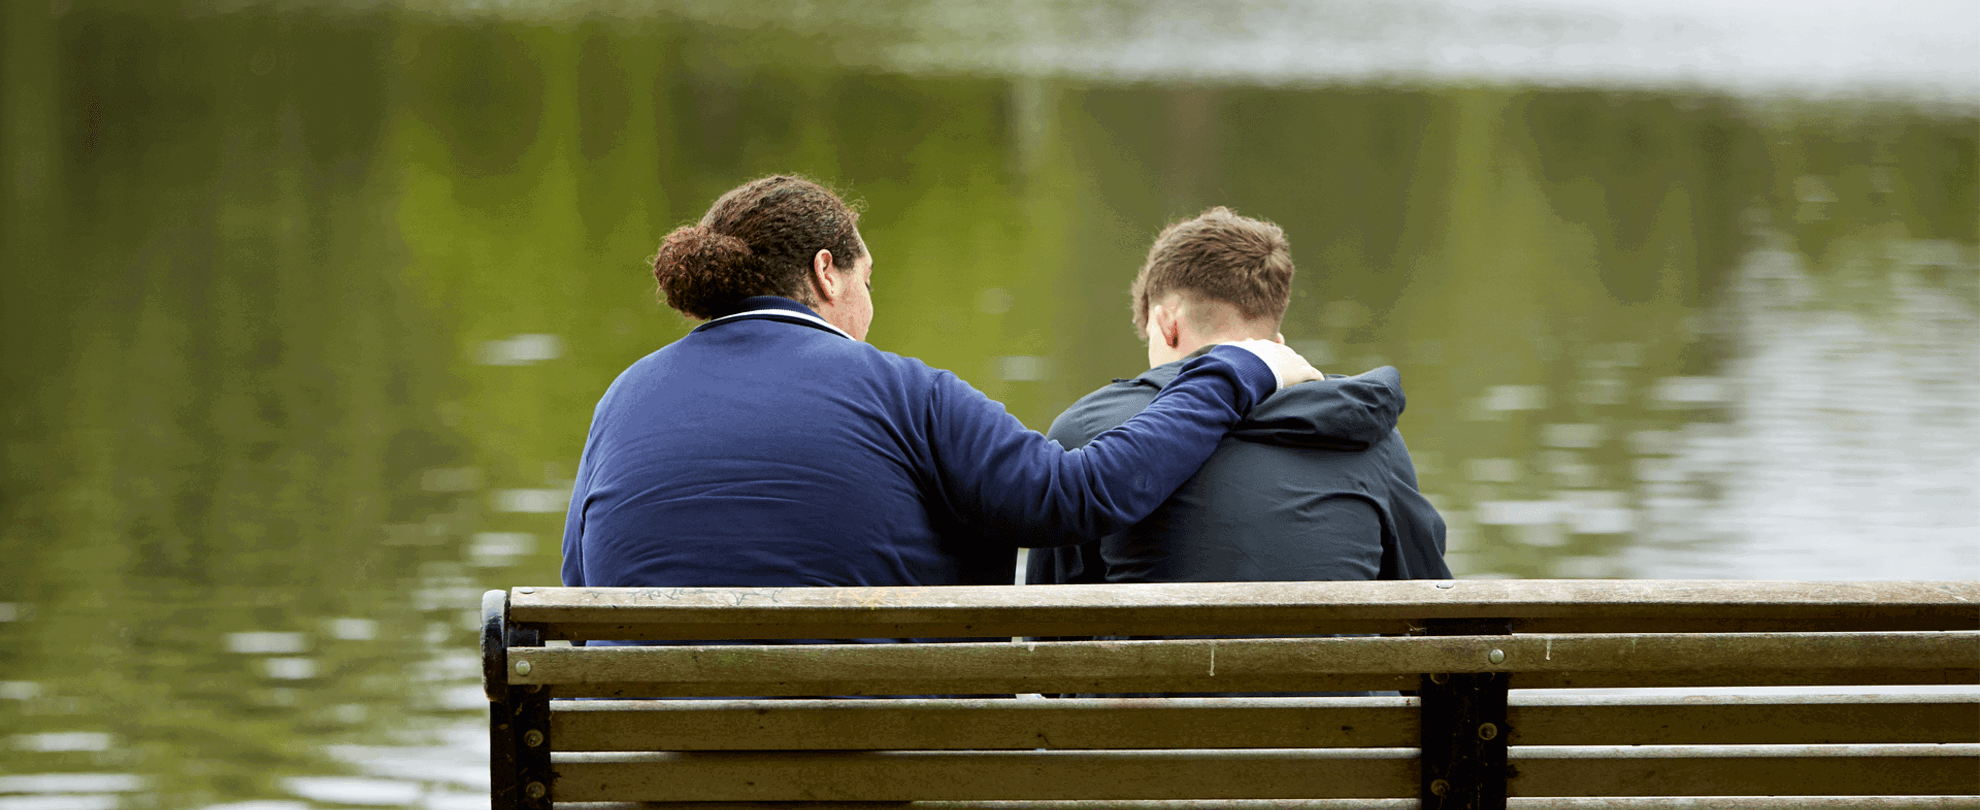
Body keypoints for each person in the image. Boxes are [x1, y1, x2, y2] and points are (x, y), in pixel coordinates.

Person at [560, 176, 1324, 609]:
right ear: (828, 272)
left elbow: (580, 591)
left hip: (653, 758)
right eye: (868, 279)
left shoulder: (622, 401)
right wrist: (1238, 369)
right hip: (875, 761)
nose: (869, 303)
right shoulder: (900, 392)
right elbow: (1076, 495)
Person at [1026, 206, 1450, 592]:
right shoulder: (1365, 430)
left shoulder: (1087, 431)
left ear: (1167, 324)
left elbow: (1054, 636)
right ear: (1277, 344)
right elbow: (1427, 599)